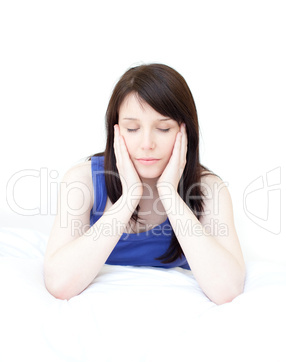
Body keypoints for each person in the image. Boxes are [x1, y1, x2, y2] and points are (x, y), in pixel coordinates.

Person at [44, 63, 246, 304]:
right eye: (132, 128)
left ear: (185, 132)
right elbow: (59, 284)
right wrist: (129, 197)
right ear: (116, 132)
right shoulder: (82, 181)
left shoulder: (209, 189)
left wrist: (170, 194)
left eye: (163, 128)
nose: (147, 143)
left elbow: (227, 290)